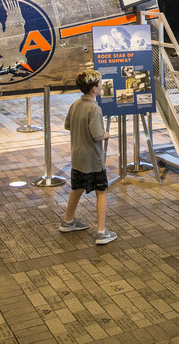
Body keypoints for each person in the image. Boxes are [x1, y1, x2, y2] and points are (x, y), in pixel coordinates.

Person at [59, 70, 117, 245]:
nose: (101, 85)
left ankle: (68, 221)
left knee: (77, 188)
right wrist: (107, 134)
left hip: (77, 158)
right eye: (100, 83)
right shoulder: (94, 108)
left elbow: (68, 125)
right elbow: (97, 135)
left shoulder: (75, 104)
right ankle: (101, 231)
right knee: (101, 191)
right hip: (93, 159)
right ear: (94, 88)